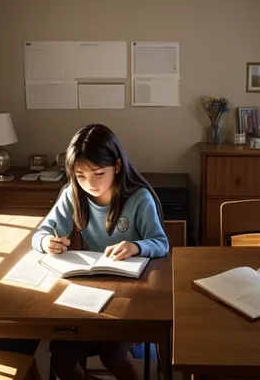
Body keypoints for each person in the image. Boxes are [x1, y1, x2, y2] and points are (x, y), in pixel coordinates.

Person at [32, 124, 169, 380]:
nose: (90, 184)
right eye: (80, 176)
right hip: (90, 295)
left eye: (98, 173)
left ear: (117, 166)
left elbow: (161, 243)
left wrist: (137, 246)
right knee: (61, 356)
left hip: (135, 295)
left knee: (113, 353)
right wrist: (46, 243)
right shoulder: (73, 195)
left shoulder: (139, 198)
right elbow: (40, 233)